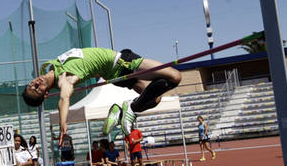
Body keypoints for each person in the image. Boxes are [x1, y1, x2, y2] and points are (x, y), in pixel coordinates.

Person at [22, 47, 181, 144]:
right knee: (174, 76)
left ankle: (121, 110)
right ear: (45, 94)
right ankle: (131, 108)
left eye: (32, 84)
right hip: (122, 63)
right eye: (37, 89)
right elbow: (64, 98)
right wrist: (63, 123)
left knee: (155, 99)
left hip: (114, 74)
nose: (36, 83)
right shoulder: (65, 79)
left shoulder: (51, 66)